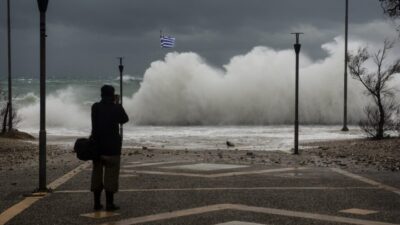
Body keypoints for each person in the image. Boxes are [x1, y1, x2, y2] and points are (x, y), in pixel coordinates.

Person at [91, 85, 129, 211]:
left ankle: (96, 203)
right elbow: (124, 119)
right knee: (111, 176)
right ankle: (109, 203)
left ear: (101, 94)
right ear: (112, 95)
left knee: (97, 174)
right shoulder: (116, 107)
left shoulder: (95, 107)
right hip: (112, 147)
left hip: (97, 147)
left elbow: (95, 124)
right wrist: (118, 104)